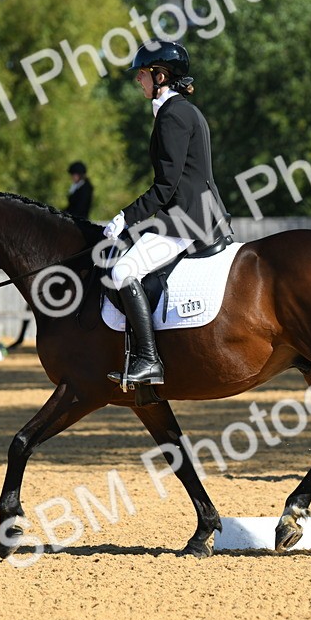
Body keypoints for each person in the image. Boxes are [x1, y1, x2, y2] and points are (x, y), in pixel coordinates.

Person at [101, 39, 230, 386]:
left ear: (160, 76)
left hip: (186, 219)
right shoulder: (185, 111)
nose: (137, 81)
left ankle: (148, 361)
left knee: (123, 271)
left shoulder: (172, 115)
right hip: (199, 213)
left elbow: (166, 185)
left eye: (142, 74)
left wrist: (126, 217)